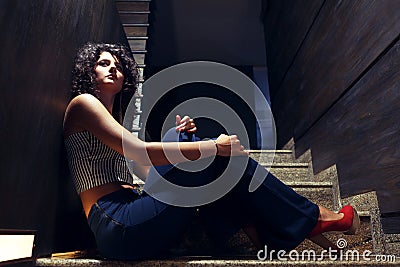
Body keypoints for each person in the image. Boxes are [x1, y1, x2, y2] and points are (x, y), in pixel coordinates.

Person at [63, 43, 360, 260]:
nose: (112, 66)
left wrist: (179, 137)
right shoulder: (84, 104)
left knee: (213, 163)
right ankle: (308, 220)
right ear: (88, 71)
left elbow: (149, 175)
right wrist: (210, 146)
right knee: (214, 154)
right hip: (116, 222)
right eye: (103, 63)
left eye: (117, 63)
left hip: (136, 211)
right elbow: (141, 153)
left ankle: (279, 232)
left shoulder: (114, 120)